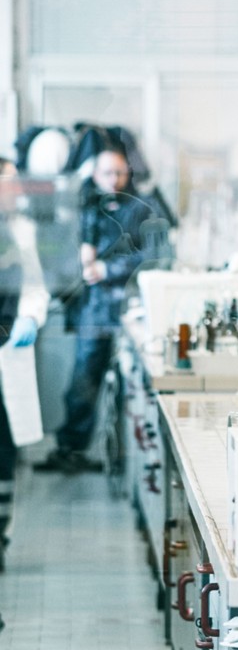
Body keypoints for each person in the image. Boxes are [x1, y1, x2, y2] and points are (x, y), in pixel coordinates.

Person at [35, 145, 153, 474]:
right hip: (92, 309)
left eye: (120, 172)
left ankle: (118, 455)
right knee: (83, 380)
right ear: (95, 174)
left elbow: (147, 254)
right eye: (107, 173)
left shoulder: (138, 208)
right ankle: (72, 449)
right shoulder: (83, 204)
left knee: (119, 385)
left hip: (125, 308)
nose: (114, 179)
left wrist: (107, 269)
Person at [0, 185, 49, 574]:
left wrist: (30, 316)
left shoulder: (21, 230)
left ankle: (0, 536)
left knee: (3, 453)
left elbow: (35, 286)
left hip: (6, 349)